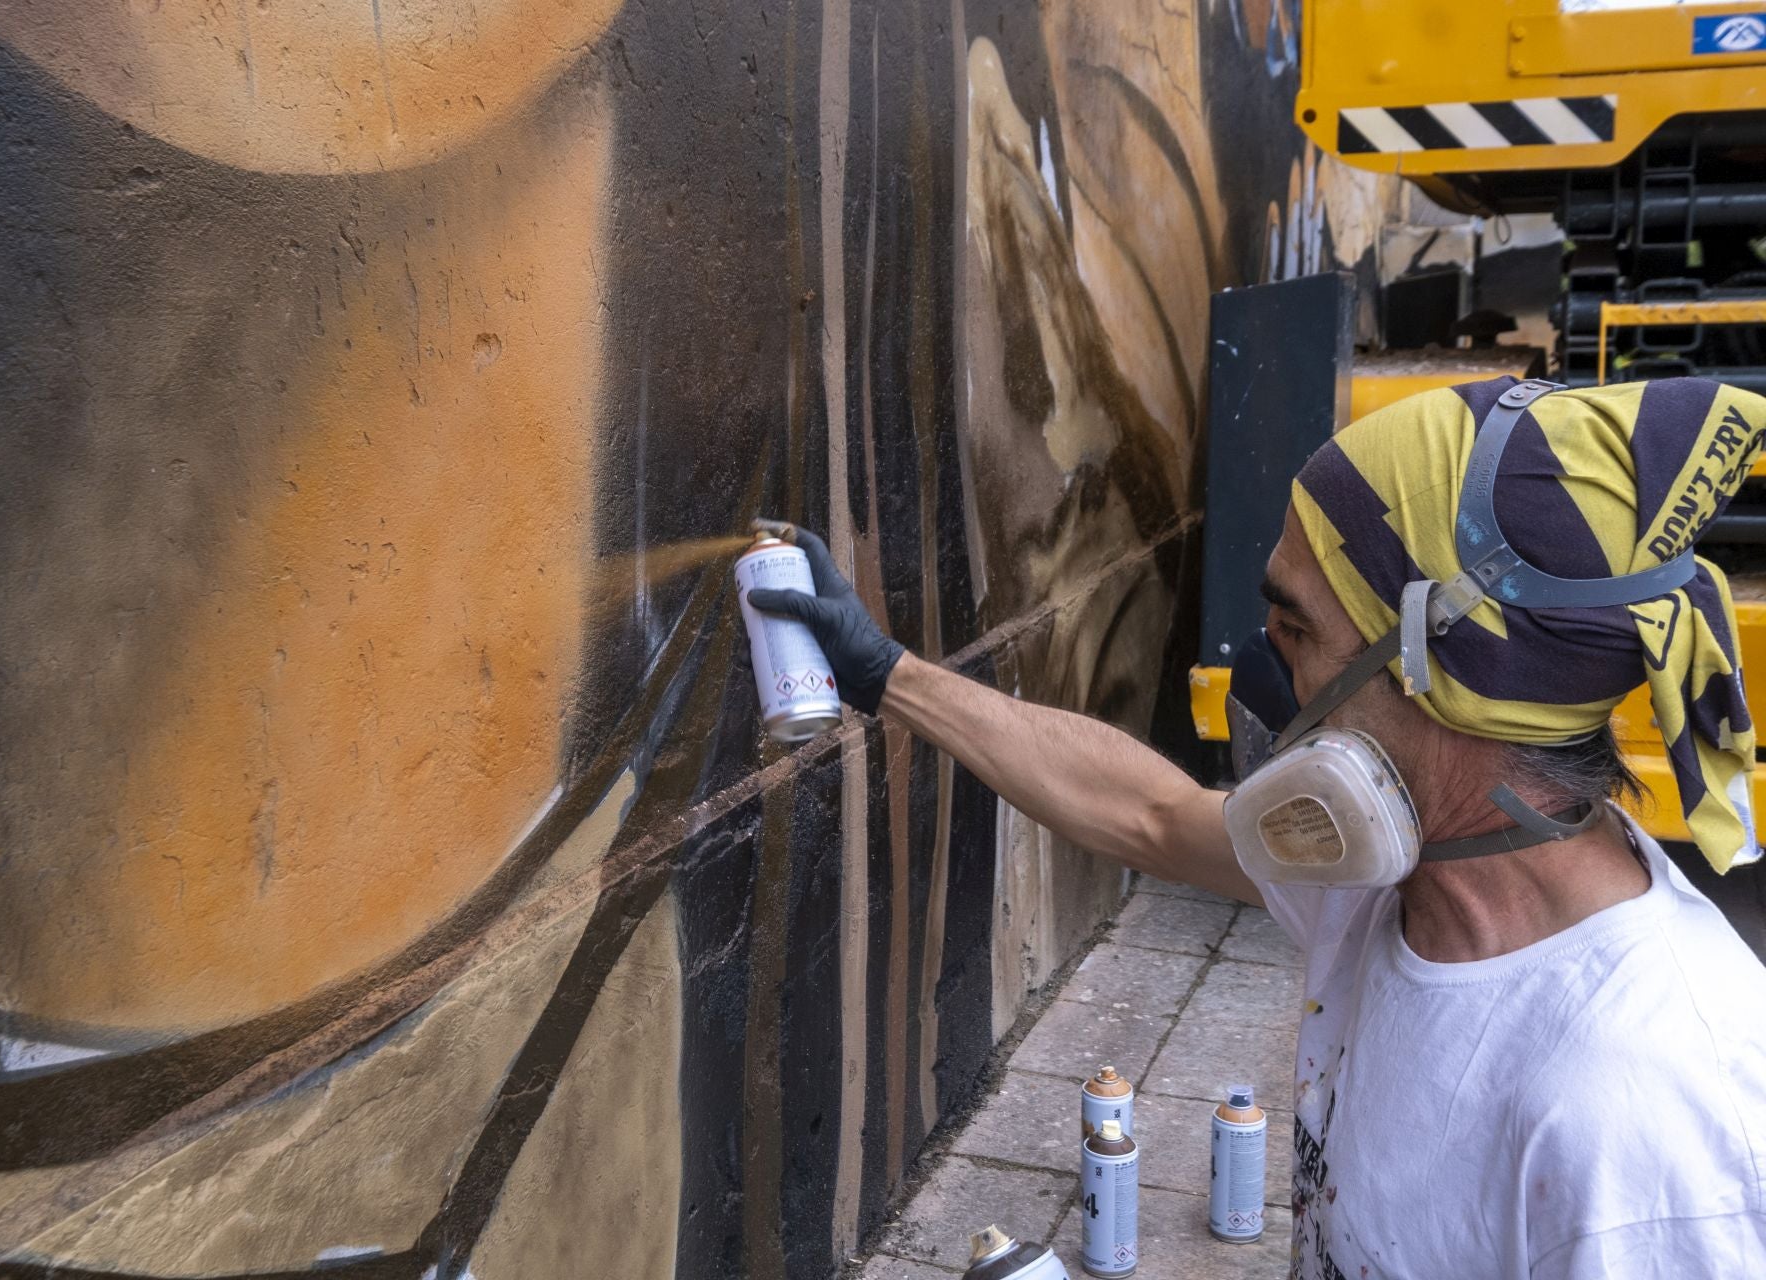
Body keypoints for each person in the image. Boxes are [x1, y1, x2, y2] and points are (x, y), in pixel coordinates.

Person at [752, 376, 1766, 1278]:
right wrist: (888, 674)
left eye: (1296, 629)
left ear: (1455, 669)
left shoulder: (1650, 1122)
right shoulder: (1391, 883)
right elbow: (1151, 815)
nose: (1266, 667)